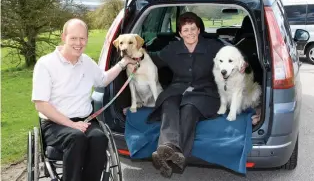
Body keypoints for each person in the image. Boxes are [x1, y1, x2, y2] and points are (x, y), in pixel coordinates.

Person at [31, 18, 136, 181]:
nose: (78, 43)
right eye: (73, 38)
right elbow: (41, 105)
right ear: (63, 37)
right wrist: (71, 124)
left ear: (87, 39)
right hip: (55, 124)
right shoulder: (46, 64)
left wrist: (123, 63)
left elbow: (103, 79)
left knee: (99, 138)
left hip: (85, 120)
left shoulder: (86, 61)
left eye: (82, 38)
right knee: (76, 137)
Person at [146, 12, 247, 178]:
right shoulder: (173, 49)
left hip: (205, 91)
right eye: (185, 30)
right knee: (169, 102)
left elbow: (235, 56)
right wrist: (134, 56)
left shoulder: (213, 47)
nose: (190, 33)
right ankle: (169, 148)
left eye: (193, 28)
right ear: (180, 33)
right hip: (177, 88)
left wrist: (243, 64)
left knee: (189, 108)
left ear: (199, 30)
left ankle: (175, 153)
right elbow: (153, 58)